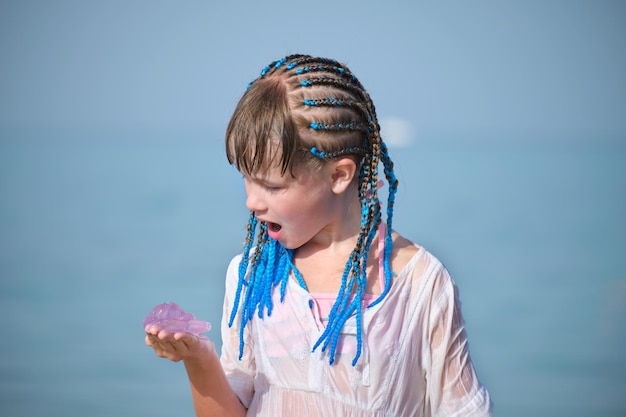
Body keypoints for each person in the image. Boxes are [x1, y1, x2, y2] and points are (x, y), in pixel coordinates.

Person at [145, 54, 492, 416]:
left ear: (339, 176)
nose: (251, 201)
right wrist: (199, 359)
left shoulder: (419, 284)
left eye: (272, 186)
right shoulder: (252, 278)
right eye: (246, 178)